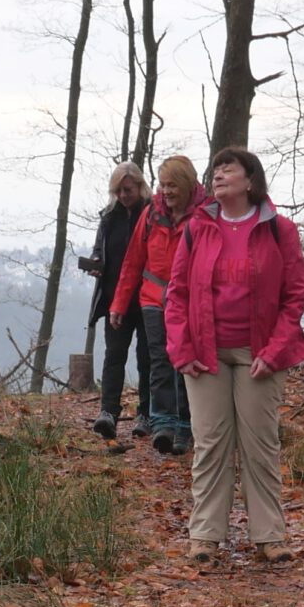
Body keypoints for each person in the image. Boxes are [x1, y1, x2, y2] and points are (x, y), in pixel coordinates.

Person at [166, 147, 304, 565]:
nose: (219, 174)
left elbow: (294, 295)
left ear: (250, 181)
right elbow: (176, 294)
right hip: (204, 353)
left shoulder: (279, 230)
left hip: (260, 353)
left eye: (229, 168)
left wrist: (276, 350)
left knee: (260, 445)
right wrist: (182, 347)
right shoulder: (197, 228)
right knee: (211, 444)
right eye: (216, 169)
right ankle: (205, 538)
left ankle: (270, 537)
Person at [110, 154, 206, 455]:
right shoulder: (151, 215)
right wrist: (119, 304)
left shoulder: (204, 217)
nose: (166, 191)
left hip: (189, 303)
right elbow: (133, 262)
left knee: (185, 363)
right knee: (160, 361)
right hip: (153, 300)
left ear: (188, 185)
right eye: (163, 185)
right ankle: (162, 423)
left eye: (173, 185)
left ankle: (185, 425)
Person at [86, 162, 152, 440]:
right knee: (114, 356)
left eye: (128, 189)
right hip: (115, 299)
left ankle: (146, 413)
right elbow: (100, 250)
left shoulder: (152, 215)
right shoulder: (108, 217)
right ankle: (108, 412)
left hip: (148, 299)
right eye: (118, 190)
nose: (123, 195)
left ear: (139, 186)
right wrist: (96, 264)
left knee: (148, 359)